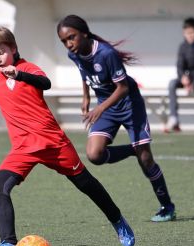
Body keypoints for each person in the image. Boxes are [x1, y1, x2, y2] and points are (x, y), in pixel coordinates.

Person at [0, 25, 135, 246]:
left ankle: (118, 220)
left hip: (52, 143)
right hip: (23, 148)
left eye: (1, 52)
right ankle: (7, 243)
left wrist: (18, 74)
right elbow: (9, 93)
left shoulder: (28, 69)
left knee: (86, 184)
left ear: (13, 48)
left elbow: (45, 83)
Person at [56, 15, 176, 223]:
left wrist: (99, 108)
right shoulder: (74, 54)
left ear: (84, 33)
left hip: (129, 105)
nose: (69, 44)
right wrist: (85, 97)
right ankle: (132, 150)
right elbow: (83, 73)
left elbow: (123, 87)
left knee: (146, 159)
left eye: (71, 37)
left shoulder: (106, 54)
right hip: (107, 106)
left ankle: (167, 206)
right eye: (64, 41)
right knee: (94, 155)